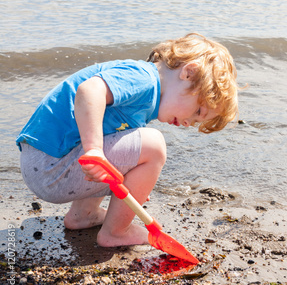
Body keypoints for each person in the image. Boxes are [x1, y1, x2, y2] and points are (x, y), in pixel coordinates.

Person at [16, 33, 239, 248]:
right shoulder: (143, 79)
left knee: (131, 144)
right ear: (188, 73)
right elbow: (89, 91)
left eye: (197, 121)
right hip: (50, 165)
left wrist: (136, 182)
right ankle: (115, 232)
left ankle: (83, 215)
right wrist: (94, 149)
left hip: (46, 164)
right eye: (198, 111)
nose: (189, 122)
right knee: (154, 146)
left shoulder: (145, 102)